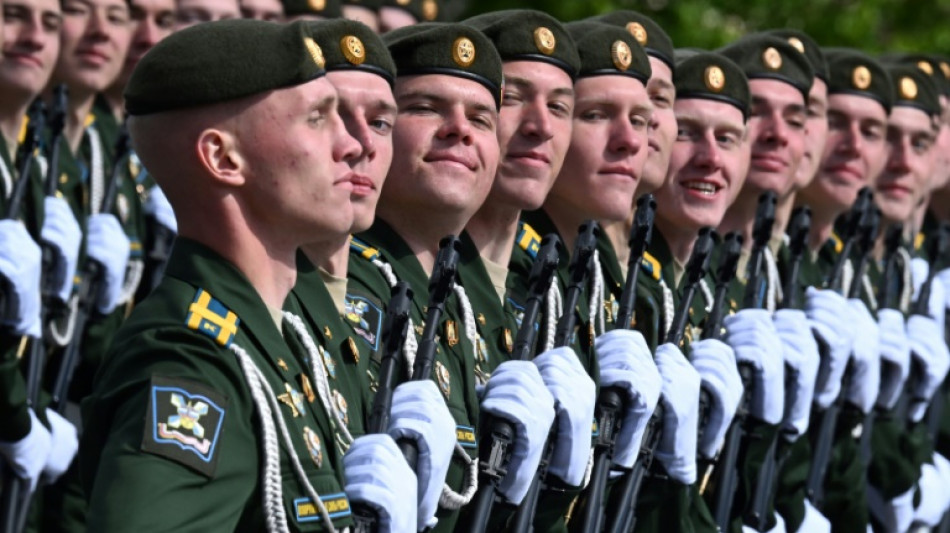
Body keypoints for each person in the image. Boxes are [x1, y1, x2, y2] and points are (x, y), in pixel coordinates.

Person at [80, 19, 434, 532]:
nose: (355, 145)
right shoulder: (193, 366)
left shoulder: (285, 335)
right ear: (224, 158)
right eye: (318, 119)